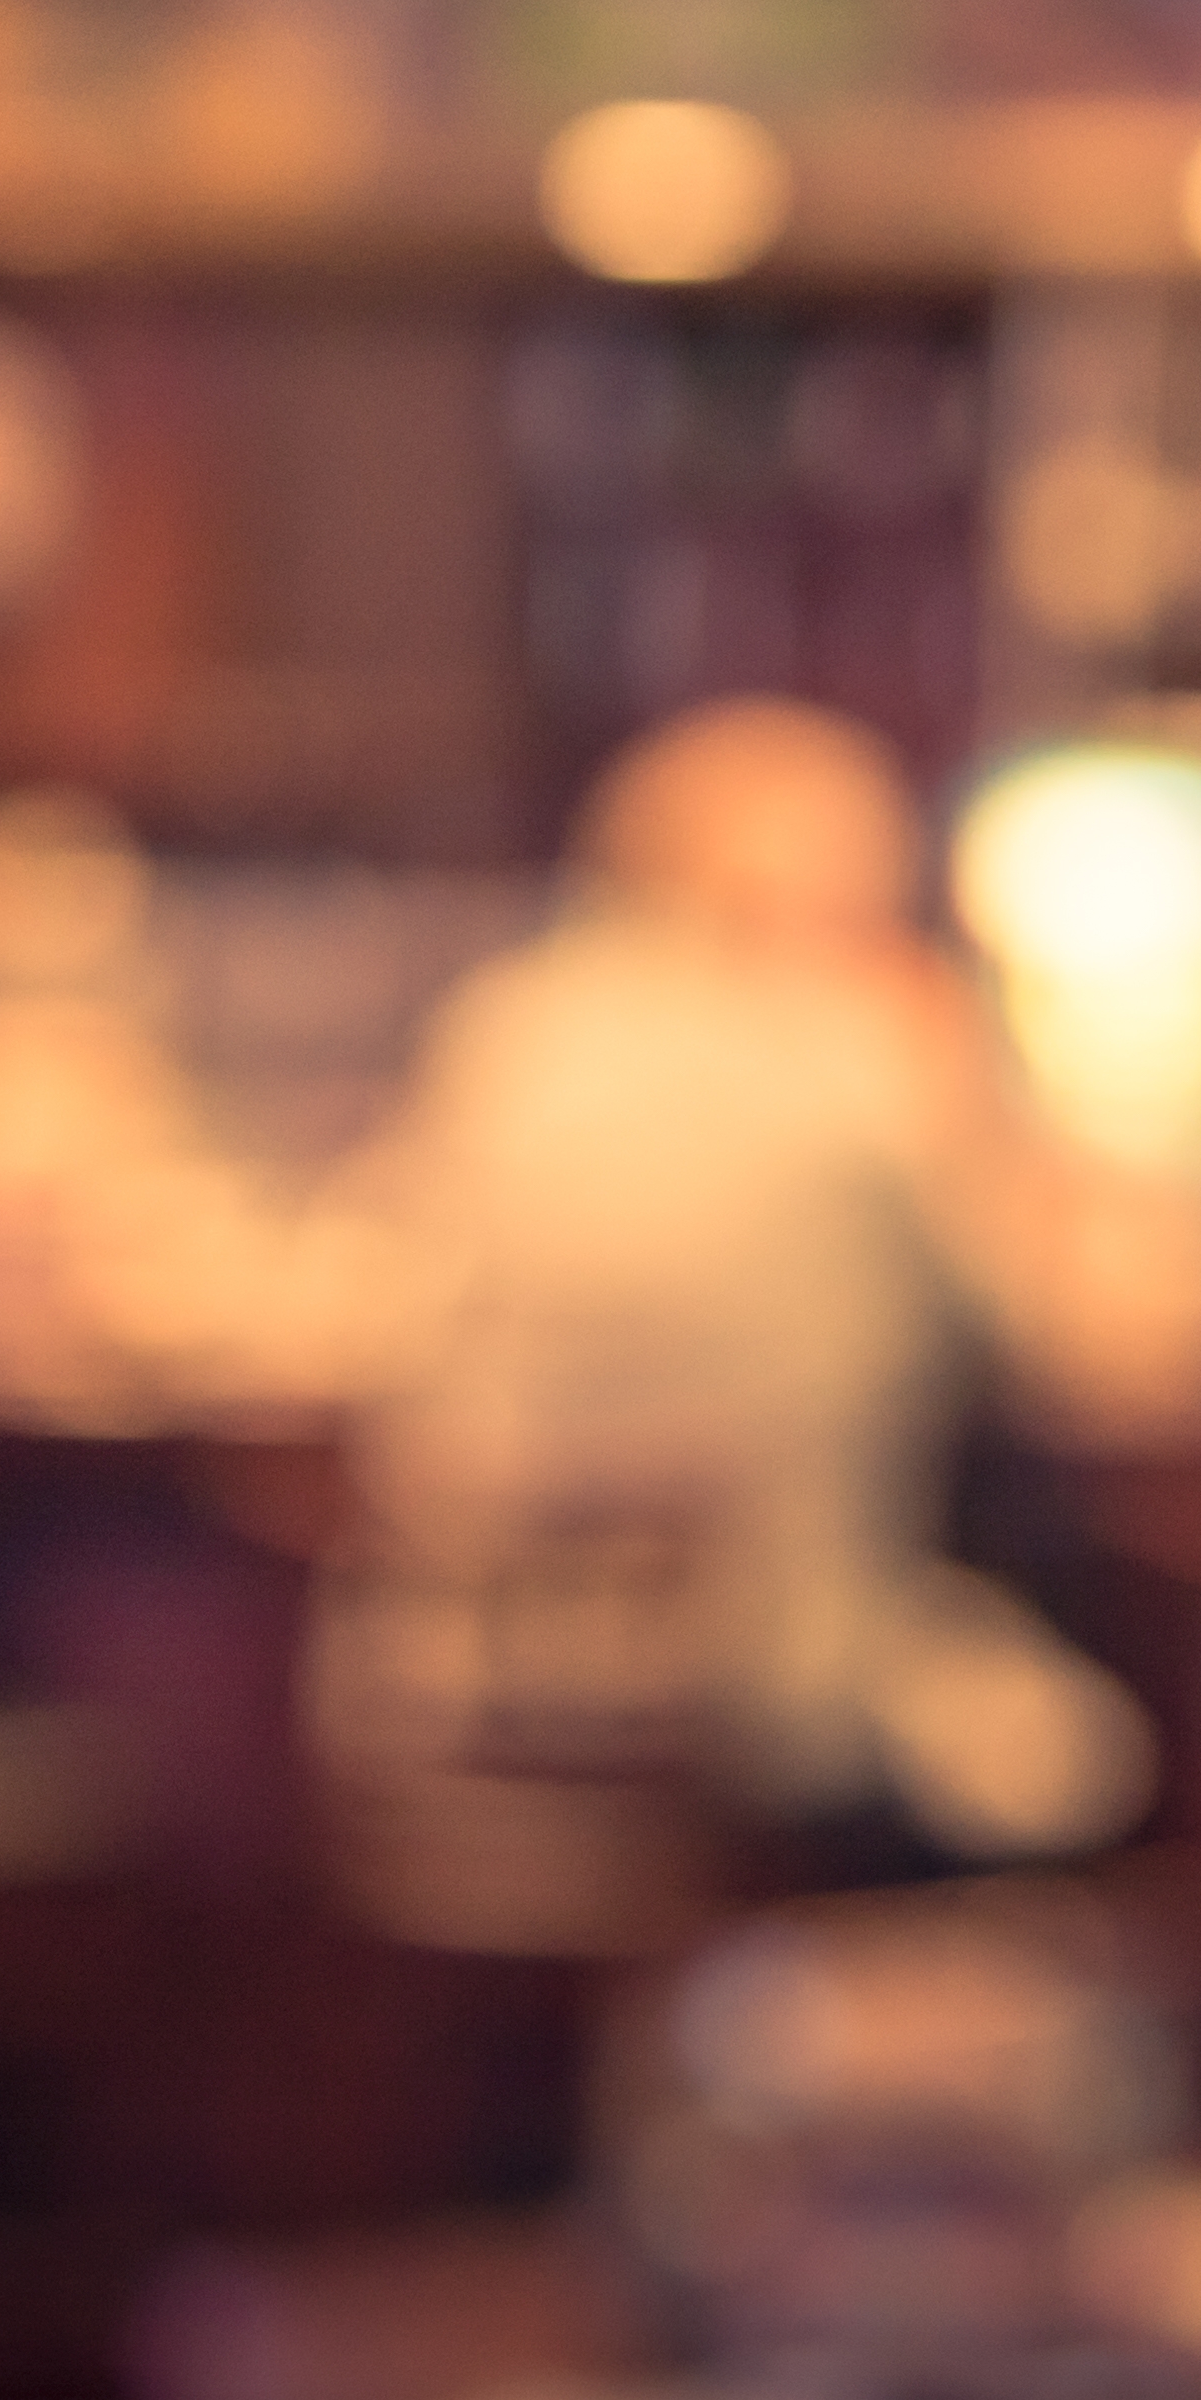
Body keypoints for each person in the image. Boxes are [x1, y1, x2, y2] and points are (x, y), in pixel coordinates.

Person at [332, 700, 1109, 1839]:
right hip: (770, 1723)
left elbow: (378, 1300)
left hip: (460, 1706)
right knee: (1084, 1761)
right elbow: (1041, 1337)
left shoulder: (505, 1030)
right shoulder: (862, 1058)